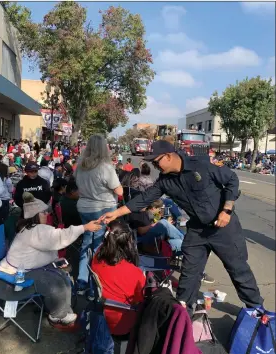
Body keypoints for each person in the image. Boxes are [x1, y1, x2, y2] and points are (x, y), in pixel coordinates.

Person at [101, 140, 263, 315]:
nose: (155, 165)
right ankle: (183, 312)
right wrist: (116, 213)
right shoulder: (165, 181)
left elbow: (232, 180)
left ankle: (257, 312)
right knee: (189, 272)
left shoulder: (201, 165)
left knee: (238, 269)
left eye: (156, 161)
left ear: (169, 156)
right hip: (197, 231)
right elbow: (144, 198)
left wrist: (227, 209)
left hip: (223, 227)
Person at [0, 192, 101, 329]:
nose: (47, 214)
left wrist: (56, 261)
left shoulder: (30, 228)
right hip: (14, 277)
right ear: (35, 215)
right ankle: (57, 315)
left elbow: (48, 244)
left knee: (62, 275)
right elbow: (59, 237)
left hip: (21, 269)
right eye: (43, 212)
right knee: (54, 282)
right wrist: (85, 227)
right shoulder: (36, 230)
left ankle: (64, 311)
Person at [74, 134, 123, 295]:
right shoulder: (105, 167)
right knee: (99, 246)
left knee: (86, 243)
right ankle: (95, 285)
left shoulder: (80, 165)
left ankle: (82, 280)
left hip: (84, 207)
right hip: (103, 208)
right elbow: (119, 190)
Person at [91, 220, 145, 336]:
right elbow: (139, 300)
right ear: (128, 243)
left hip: (102, 313)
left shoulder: (97, 255)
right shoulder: (135, 273)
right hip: (120, 324)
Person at [0, 163, 13, 227]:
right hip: (4, 200)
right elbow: (11, 190)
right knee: (5, 217)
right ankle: (4, 230)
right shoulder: (7, 179)